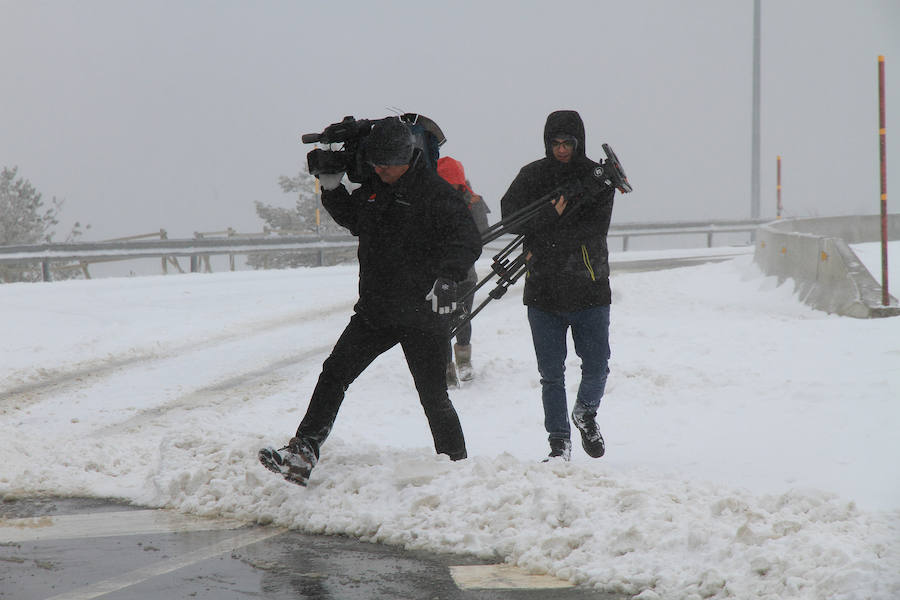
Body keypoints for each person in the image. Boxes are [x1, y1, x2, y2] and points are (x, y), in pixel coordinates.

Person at [259, 117, 483, 485]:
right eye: (376, 164)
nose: (381, 170)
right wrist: (331, 187)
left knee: (433, 397)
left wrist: (448, 278)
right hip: (376, 311)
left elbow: (467, 242)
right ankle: (303, 451)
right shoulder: (376, 190)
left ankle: (457, 471)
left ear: (408, 157)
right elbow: (354, 219)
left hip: (422, 314)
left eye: (387, 165)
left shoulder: (436, 194)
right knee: (335, 374)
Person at [499, 110, 614, 462]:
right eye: (555, 143)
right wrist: (547, 217)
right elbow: (509, 219)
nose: (562, 150)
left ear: (579, 142)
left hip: (589, 287)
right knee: (551, 375)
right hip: (543, 290)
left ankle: (585, 413)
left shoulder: (598, 179)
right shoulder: (531, 175)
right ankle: (558, 443)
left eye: (568, 143)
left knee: (597, 365)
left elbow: (593, 229)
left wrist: (548, 233)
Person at [436, 156, 491, 385]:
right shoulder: (431, 201)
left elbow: (483, 234)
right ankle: (445, 365)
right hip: (438, 277)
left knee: (463, 318)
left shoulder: (473, 201)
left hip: (466, 275)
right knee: (440, 322)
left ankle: (464, 361)